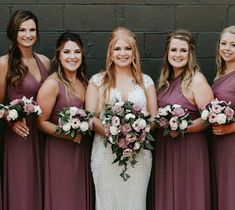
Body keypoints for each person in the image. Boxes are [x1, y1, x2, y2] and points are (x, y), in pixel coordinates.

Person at [85, 27, 157, 210]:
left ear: (134, 53)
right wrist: (116, 136)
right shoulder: (97, 81)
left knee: (136, 203)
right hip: (105, 153)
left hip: (138, 154)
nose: (122, 53)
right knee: (107, 203)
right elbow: (91, 118)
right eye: (117, 49)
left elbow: (154, 118)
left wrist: (135, 136)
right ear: (110, 53)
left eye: (128, 48)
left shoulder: (146, 81)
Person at [154, 29, 213, 210]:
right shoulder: (165, 80)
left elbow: (209, 118)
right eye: (173, 50)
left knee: (188, 195)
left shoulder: (196, 80)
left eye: (183, 50)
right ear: (167, 52)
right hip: (165, 148)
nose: (177, 55)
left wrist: (182, 127)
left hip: (189, 149)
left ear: (190, 54)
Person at [36, 32, 94, 210]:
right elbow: (41, 122)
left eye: (77, 52)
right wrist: (67, 134)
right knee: (64, 199)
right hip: (60, 151)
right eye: (67, 52)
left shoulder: (84, 81)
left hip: (81, 149)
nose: (72, 57)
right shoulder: (52, 83)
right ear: (59, 55)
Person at [0, 10, 50, 210]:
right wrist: (10, 119)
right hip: (19, 136)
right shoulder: (3, 63)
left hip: (42, 133)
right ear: (14, 32)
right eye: (22, 30)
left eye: (32, 29)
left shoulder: (45, 61)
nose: (28, 34)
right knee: (23, 191)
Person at [211, 25, 235, 210]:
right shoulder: (219, 73)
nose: (227, 48)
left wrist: (230, 128)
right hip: (218, 144)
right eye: (224, 43)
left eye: (233, 45)